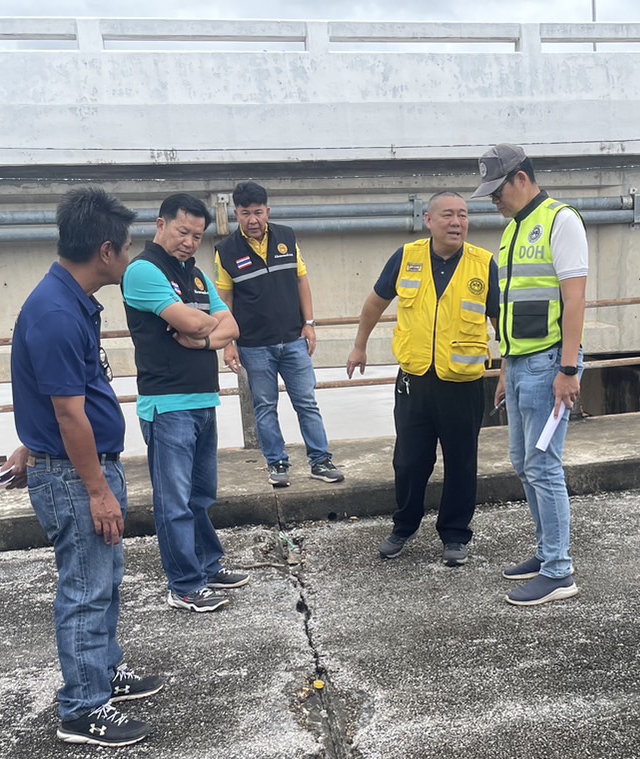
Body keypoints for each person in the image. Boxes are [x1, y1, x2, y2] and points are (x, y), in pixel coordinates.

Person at [8, 186, 161, 747]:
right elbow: (69, 413)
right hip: (76, 476)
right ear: (105, 251)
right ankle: (83, 707)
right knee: (86, 588)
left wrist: (30, 442)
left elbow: (50, 392)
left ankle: (103, 670)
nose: (130, 257)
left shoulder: (68, 302)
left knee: (105, 580)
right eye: (127, 247)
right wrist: (97, 490)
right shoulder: (56, 312)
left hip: (75, 466)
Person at [346, 191, 498, 567]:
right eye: (448, 215)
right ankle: (404, 526)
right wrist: (359, 346)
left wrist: (507, 370)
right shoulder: (406, 257)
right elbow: (375, 303)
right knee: (409, 461)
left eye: (463, 215)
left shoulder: (483, 263)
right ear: (428, 221)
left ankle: (455, 534)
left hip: (462, 383)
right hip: (414, 380)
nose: (457, 222)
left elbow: (502, 321)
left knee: (461, 463)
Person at [471, 144, 588, 607]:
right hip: (521, 363)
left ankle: (559, 571)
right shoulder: (513, 229)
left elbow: (574, 298)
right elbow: (509, 307)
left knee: (544, 465)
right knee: (523, 462)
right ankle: (545, 554)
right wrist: (505, 367)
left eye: (497, 191)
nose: (493, 201)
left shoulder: (561, 220)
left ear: (521, 178)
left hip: (548, 362)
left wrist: (569, 368)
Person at [122, 193, 249, 614]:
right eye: (182, 232)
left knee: (200, 497)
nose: (189, 242)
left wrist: (202, 339)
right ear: (161, 224)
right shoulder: (144, 270)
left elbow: (231, 325)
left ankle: (207, 567)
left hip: (203, 399)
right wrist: (205, 327)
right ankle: (184, 585)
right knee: (174, 503)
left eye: (196, 235)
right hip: (167, 404)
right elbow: (196, 320)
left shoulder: (195, 275)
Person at [215, 181, 344, 488]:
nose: (253, 220)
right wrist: (228, 343)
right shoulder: (226, 251)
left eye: (258, 212)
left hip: (294, 340)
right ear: (236, 214)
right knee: (265, 406)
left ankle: (320, 461)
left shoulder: (287, 237)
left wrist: (309, 323)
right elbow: (224, 300)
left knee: (307, 402)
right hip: (254, 346)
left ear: (268, 211)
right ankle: (277, 463)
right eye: (245, 213)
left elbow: (301, 281)